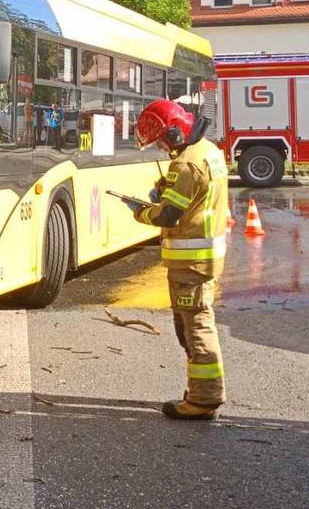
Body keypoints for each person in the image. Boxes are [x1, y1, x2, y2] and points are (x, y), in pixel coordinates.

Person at [119, 99, 229, 420]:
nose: (164, 147)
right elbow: (195, 196)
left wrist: (141, 210)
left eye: (164, 140)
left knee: (195, 327)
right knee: (189, 325)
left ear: (176, 131)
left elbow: (169, 214)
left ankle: (204, 399)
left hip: (190, 262)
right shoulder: (208, 151)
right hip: (205, 258)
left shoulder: (186, 165)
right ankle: (201, 392)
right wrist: (165, 187)